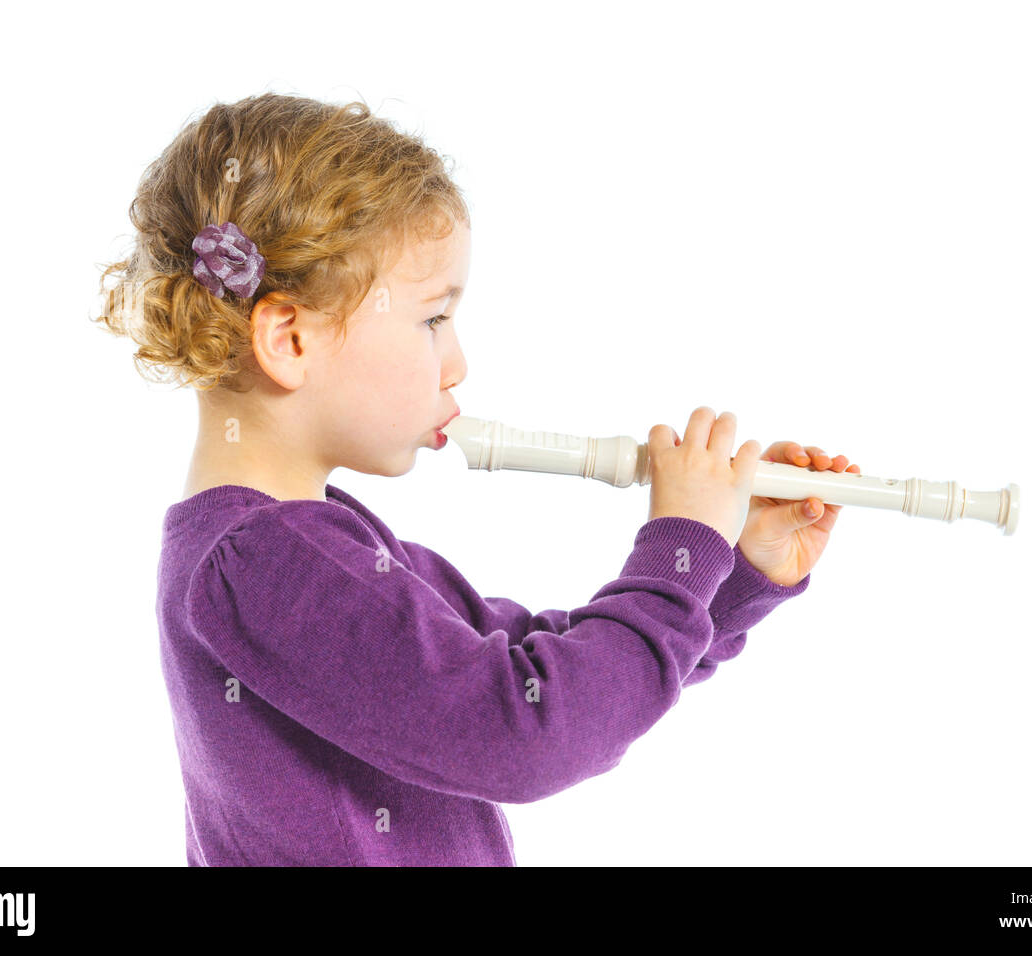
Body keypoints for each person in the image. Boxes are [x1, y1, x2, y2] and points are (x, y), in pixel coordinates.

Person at [94, 93, 860, 866]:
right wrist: (682, 546)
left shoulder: (306, 545)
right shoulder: (271, 563)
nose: (458, 363)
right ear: (289, 338)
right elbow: (529, 734)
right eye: (433, 318)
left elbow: (538, 669)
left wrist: (726, 571)